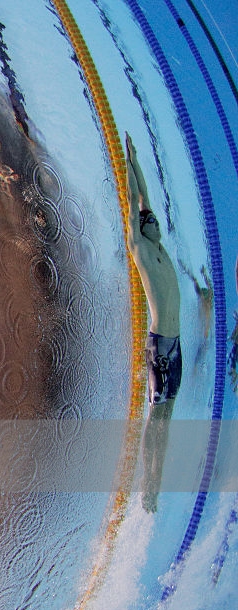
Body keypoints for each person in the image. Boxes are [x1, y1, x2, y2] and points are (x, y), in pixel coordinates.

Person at [126, 133, 181, 513]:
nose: (158, 224)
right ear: (144, 228)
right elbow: (135, 203)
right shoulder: (141, 246)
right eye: (152, 222)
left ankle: (156, 483)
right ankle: (147, 483)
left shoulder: (160, 248)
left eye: (158, 222)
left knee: (169, 414)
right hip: (160, 344)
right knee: (155, 415)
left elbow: (147, 198)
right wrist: (127, 162)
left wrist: (137, 157)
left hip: (175, 344)